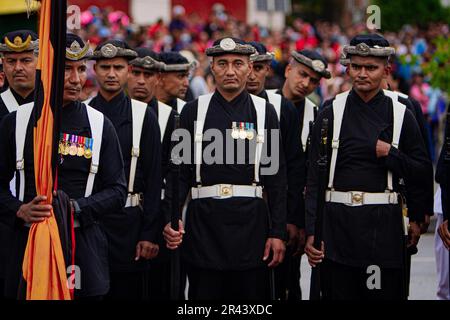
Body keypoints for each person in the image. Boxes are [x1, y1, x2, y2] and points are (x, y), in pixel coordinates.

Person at [0, 33, 127, 299]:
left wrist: (77, 208)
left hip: (80, 245)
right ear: (46, 70)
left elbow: (117, 190)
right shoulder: (17, 121)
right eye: (66, 69)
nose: (76, 79)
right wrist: (19, 209)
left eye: (81, 69)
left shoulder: (100, 124)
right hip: (28, 243)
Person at [305, 34, 430, 300]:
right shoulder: (330, 110)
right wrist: (312, 231)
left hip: (382, 228)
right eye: (356, 67)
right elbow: (314, 177)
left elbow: (421, 169)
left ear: (386, 70)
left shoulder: (401, 113)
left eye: (371, 68)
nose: (362, 74)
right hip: (337, 227)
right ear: (347, 67)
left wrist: (392, 155)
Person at [163, 37, 287, 300]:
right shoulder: (192, 112)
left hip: (251, 226)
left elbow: (276, 179)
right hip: (204, 225)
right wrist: (171, 220)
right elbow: (178, 175)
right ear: (212, 67)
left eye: (238, 63)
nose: (230, 71)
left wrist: (277, 233)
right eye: (222, 64)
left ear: (249, 67)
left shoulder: (265, 112)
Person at [88, 40, 162, 299]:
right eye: (105, 67)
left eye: (118, 67)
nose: (111, 74)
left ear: (128, 71)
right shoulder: (84, 112)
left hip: (130, 223)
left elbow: (154, 180)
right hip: (90, 222)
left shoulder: (143, 115)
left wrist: (150, 234)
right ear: (94, 69)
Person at [246, 41, 306, 300]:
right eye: (246, 66)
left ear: (267, 70)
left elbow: (294, 168)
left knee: (281, 282)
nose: (251, 74)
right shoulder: (213, 110)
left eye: (258, 67)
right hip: (236, 214)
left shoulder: (283, 108)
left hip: (275, 212)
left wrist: (291, 219)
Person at [270, 47, 332, 299]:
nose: (306, 84)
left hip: (296, 211)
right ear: (288, 70)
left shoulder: (317, 116)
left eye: (314, 81)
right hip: (262, 208)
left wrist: (301, 221)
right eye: (302, 75)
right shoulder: (262, 104)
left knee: (290, 280)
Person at [127, 48, 176, 299]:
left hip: (160, 215)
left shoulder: (173, 117)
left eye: (149, 74)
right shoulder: (102, 112)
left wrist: (164, 222)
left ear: (158, 78)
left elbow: (174, 176)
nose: (141, 80)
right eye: (136, 73)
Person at [0, 29, 39, 299]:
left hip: (43, 223)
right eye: (11, 61)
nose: (18, 68)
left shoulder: (55, 110)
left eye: (26, 60)